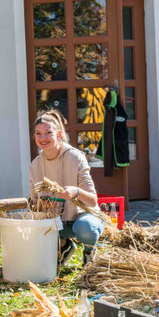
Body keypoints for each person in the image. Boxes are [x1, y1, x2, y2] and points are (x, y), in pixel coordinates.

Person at [29, 109, 104, 267]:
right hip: (56, 222)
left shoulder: (75, 157)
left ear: (58, 134)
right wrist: (35, 206)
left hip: (80, 217)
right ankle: (65, 245)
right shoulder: (35, 165)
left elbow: (92, 200)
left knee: (86, 228)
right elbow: (35, 205)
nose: (43, 138)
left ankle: (89, 251)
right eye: (38, 133)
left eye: (48, 132)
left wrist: (75, 192)